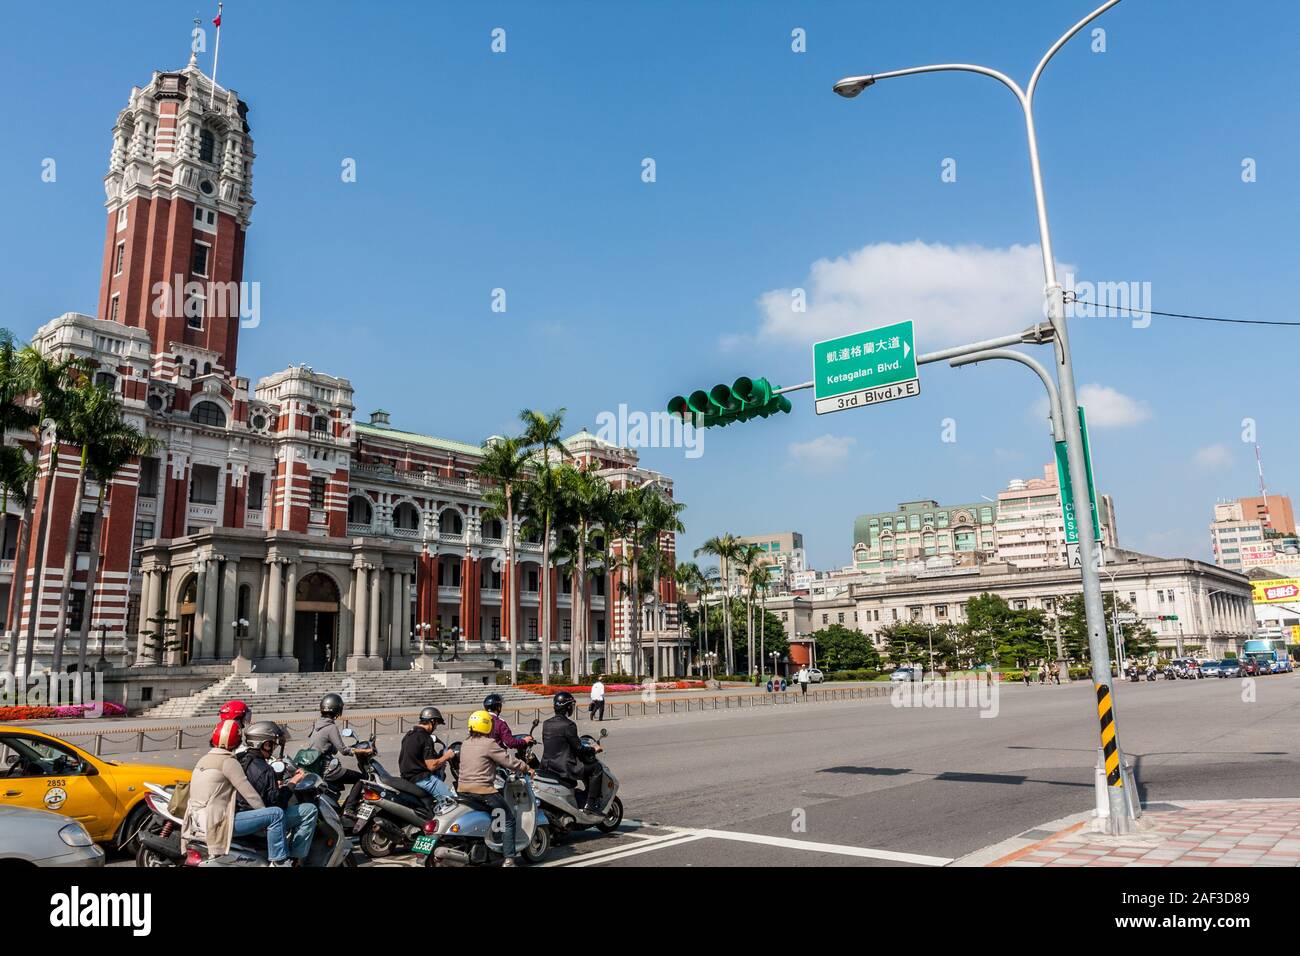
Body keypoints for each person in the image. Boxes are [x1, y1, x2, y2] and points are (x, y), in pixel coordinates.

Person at [183, 719, 293, 866]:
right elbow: (250, 795)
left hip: (195, 821)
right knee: (276, 814)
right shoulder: (227, 761)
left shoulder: (204, 759)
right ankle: (279, 862)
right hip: (218, 821)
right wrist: (265, 817)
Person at [457, 710, 531, 867]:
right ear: (487, 726)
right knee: (509, 819)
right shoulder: (489, 744)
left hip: (462, 790)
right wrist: (526, 768)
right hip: (483, 791)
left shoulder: (465, 743)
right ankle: (509, 859)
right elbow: (509, 761)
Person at [236, 721, 318, 862]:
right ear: (265, 744)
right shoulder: (265, 770)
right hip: (256, 817)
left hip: (240, 812)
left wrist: (275, 785)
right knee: (310, 810)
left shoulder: (240, 759)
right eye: (272, 744)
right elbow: (278, 804)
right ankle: (295, 858)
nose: (273, 747)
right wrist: (294, 781)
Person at [305, 693, 372, 817]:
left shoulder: (317, 725)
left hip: (318, 768)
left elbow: (330, 747)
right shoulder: (331, 727)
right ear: (338, 709)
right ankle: (349, 808)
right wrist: (364, 751)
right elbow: (344, 751)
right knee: (362, 779)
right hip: (328, 770)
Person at [540, 691, 603, 813]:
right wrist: (593, 749)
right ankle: (591, 804)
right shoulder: (569, 725)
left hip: (547, 766)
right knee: (596, 768)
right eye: (572, 706)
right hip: (564, 767)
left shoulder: (546, 724)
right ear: (568, 707)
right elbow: (579, 749)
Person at [398, 706, 457, 804]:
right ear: (432, 721)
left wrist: (439, 758)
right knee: (451, 802)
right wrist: (447, 756)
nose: (436, 727)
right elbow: (431, 766)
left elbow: (416, 757)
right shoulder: (425, 737)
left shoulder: (409, 734)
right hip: (421, 779)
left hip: (407, 777)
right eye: (436, 724)